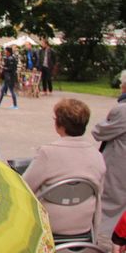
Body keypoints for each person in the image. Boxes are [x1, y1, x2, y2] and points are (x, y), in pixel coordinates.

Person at [23, 99, 105, 238]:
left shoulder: (48, 153)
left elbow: (25, 187)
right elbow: (99, 192)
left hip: (50, 227)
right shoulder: (96, 155)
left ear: (59, 124)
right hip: (83, 227)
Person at [93, 101, 126, 237]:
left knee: (109, 201)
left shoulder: (122, 110)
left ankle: (106, 236)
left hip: (118, 162)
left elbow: (99, 132)